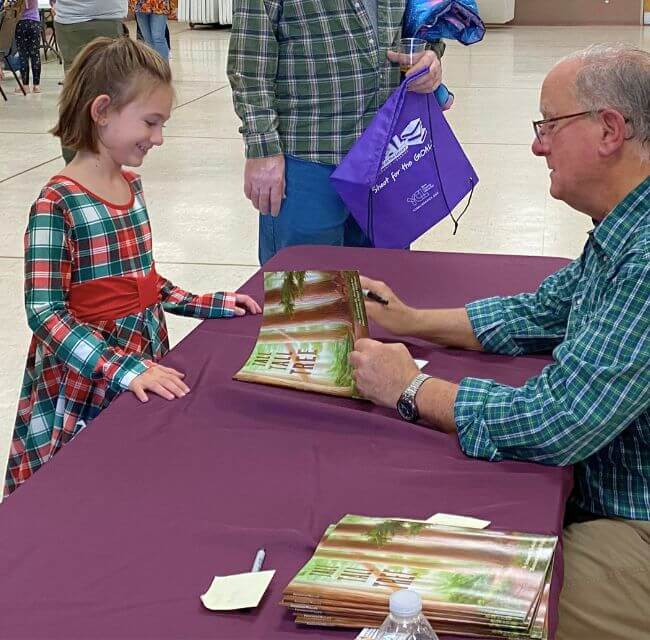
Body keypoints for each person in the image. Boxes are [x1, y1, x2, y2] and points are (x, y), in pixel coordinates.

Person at [350, 43, 649, 639]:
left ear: (609, 130)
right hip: (609, 497)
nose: (538, 146)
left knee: (445, 603)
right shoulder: (625, 227)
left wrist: (409, 388)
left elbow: (555, 424)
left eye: (549, 127)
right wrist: (409, 320)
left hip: (632, 522)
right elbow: (538, 312)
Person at [4, 36, 261, 498]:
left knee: (135, 476)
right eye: (150, 122)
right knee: (81, 488)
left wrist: (209, 303)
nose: (159, 137)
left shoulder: (130, 186)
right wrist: (121, 368)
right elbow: (45, 313)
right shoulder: (56, 202)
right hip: (85, 380)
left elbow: (143, 283)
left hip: (140, 358)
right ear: (102, 110)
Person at [227, 1, 445, 264]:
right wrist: (263, 149)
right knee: (307, 296)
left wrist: (430, 56)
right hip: (310, 158)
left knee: (383, 289)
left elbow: (421, 24)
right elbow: (250, 66)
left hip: (387, 156)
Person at [53, 0, 129, 163]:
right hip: (106, 16)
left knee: (76, 91)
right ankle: (106, 161)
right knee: (109, 93)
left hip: (70, 19)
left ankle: (75, 161)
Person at [14, 0, 41, 93]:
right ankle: (36, 86)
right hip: (35, 22)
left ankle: (25, 86)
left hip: (20, 23)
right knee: (35, 55)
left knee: (23, 55)